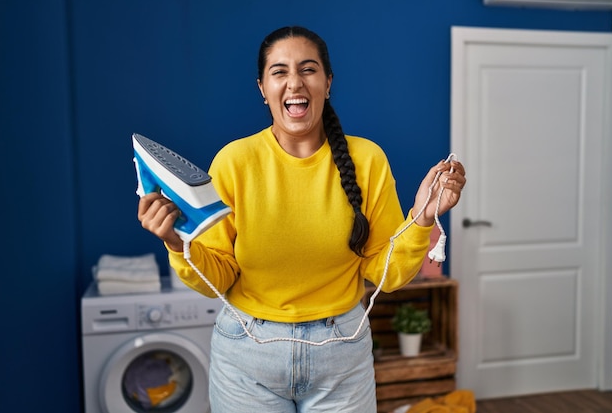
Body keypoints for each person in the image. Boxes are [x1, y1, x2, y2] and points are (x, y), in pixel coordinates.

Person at [138, 25, 466, 413]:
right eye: (279, 72)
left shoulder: (367, 161)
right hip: (247, 353)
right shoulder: (234, 162)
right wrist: (178, 243)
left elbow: (387, 274)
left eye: (308, 70)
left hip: (342, 352)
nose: (294, 82)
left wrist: (423, 216)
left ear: (328, 83)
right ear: (262, 88)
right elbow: (218, 279)